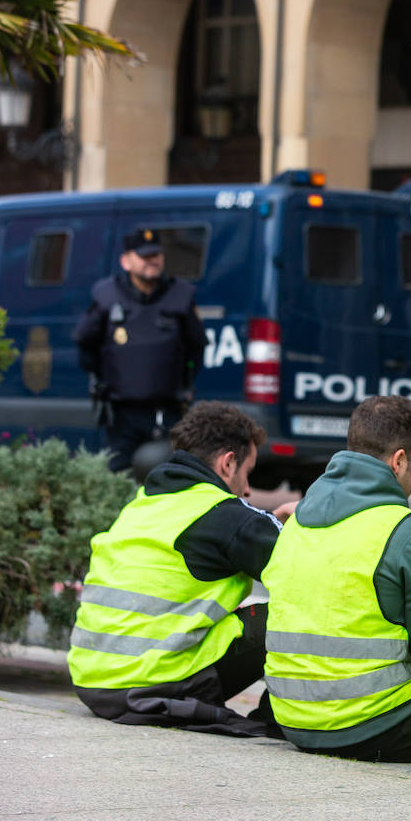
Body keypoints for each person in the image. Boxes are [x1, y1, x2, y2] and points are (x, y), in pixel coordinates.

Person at [67, 401, 295, 736]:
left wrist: (265, 525)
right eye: (247, 472)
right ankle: (279, 717)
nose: (247, 489)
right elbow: (308, 573)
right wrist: (304, 523)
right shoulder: (226, 515)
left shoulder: (145, 502)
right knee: (289, 612)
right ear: (228, 463)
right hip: (156, 684)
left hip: (94, 682)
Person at [261, 396, 411, 762]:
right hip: (375, 723)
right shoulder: (408, 534)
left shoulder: (296, 523)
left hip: (291, 716)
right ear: (399, 460)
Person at [74, 228, 206, 472]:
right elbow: (85, 342)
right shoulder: (107, 295)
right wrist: (99, 381)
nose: (152, 260)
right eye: (144, 256)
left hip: (167, 410)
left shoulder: (180, 295)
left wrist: (186, 383)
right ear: (126, 261)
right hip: (121, 413)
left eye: (156, 254)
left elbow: (196, 347)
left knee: (170, 478)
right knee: (116, 477)